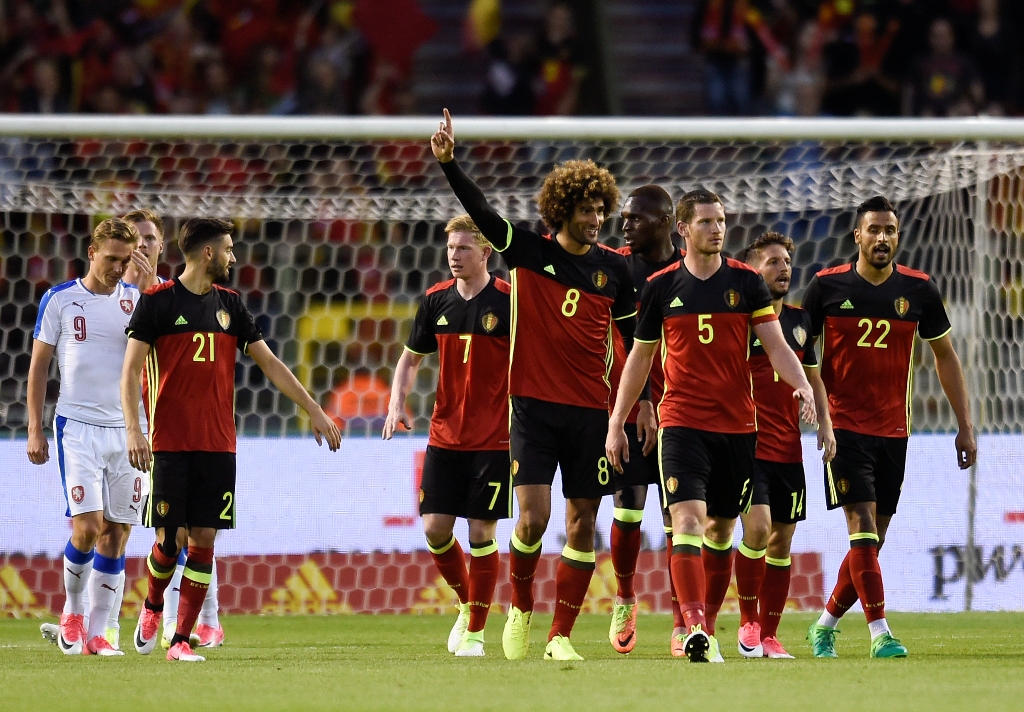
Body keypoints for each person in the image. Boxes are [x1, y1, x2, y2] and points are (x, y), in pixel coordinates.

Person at [431, 109, 637, 661]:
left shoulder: (615, 272)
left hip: (592, 412)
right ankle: (520, 606)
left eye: (600, 209)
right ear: (561, 209)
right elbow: (482, 211)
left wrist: (638, 403)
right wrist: (451, 165)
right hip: (532, 410)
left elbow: (636, 343)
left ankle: (560, 637)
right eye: (586, 209)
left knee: (582, 522)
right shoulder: (528, 252)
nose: (596, 218)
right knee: (532, 519)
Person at [606, 189, 817, 663]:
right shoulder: (661, 287)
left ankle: (702, 625)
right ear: (683, 229)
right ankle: (692, 627)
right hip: (680, 423)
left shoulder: (746, 284)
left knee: (721, 531)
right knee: (685, 520)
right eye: (706, 222)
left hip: (739, 427)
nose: (717, 229)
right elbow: (640, 359)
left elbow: (777, 345)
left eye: (721, 220)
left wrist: (801, 384)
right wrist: (617, 421)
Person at [121, 217, 341, 662]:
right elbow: (129, 373)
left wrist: (313, 408)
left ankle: (181, 639)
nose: (233, 257)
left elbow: (272, 364)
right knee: (170, 540)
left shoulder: (232, 306)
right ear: (208, 254)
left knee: (204, 538)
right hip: (169, 442)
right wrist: (134, 428)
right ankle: (152, 604)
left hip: (219, 444)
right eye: (228, 248)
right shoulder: (157, 303)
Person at [804, 195, 976, 659]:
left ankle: (823, 626)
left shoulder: (919, 290)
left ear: (898, 237)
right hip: (843, 431)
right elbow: (802, 349)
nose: (882, 238)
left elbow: (945, 357)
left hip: (894, 433)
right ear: (856, 235)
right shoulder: (825, 287)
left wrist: (965, 425)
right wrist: (812, 401)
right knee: (860, 528)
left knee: (872, 542)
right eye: (874, 230)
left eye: (890, 231)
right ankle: (881, 632)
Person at [383, 214, 511, 658]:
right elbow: (410, 359)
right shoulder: (436, 300)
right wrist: (397, 401)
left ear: (486, 253)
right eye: (450, 249)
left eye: (463, 249)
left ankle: (475, 633)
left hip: (495, 438)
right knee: (436, 529)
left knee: (481, 532)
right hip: (444, 435)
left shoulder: (510, 302)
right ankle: (467, 602)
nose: (454, 256)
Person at [27, 218, 144, 656]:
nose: (117, 267)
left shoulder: (137, 301)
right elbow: (39, 366)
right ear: (91, 253)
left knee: (117, 532)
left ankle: (99, 634)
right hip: (76, 427)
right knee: (88, 527)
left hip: (129, 430)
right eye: (110, 258)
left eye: (124, 260)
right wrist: (35, 428)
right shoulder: (60, 300)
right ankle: (72, 611)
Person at [736, 232, 834, 659]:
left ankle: (771, 634)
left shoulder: (799, 321)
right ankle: (748, 623)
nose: (783, 268)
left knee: (782, 540)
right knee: (756, 530)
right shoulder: (740, 320)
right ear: (755, 270)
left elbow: (814, 380)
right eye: (772, 262)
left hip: (788, 448)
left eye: (787, 261)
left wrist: (826, 427)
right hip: (749, 444)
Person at [604, 185, 684, 655]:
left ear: (665, 221)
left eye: (635, 218)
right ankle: (625, 598)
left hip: (683, 409)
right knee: (628, 506)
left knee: (679, 517)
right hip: (628, 407)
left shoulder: (690, 268)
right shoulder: (616, 268)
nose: (625, 225)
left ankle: (681, 619)